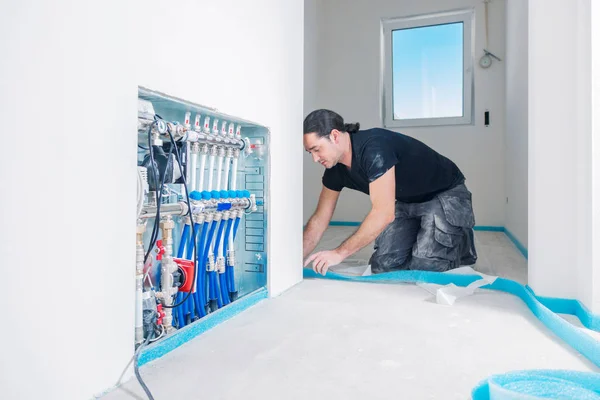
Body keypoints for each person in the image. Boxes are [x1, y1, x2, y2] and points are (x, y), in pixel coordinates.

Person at [303, 109, 477, 275]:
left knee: (426, 266)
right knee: (383, 265)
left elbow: (384, 213)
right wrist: (294, 259)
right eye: (310, 152)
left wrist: (339, 253)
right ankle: (425, 235)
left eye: (317, 149)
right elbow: (320, 218)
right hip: (407, 202)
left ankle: (458, 240)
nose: (315, 158)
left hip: (444, 194)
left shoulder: (374, 148)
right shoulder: (335, 169)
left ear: (334, 136)